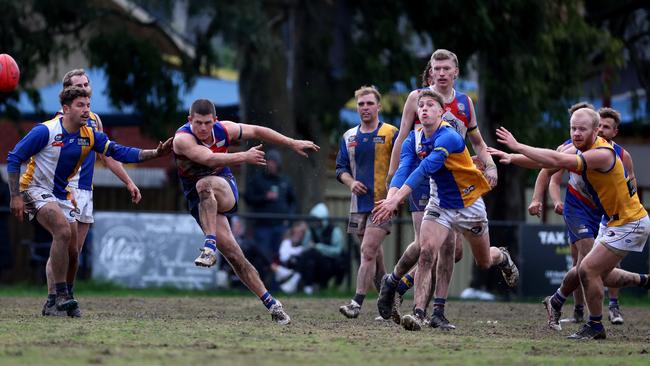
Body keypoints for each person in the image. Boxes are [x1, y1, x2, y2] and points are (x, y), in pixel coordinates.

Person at [6, 86, 172, 316]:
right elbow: (14, 158)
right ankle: (60, 295)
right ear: (66, 109)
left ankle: (60, 300)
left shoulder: (89, 134)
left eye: (88, 105)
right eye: (80, 105)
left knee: (73, 252)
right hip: (33, 188)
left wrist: (155, 153)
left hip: (62, 194)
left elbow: (118, 151)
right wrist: (15, 195)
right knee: (62, 232)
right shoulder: (45, 131)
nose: (86, 111)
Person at [489, 107, 650, 340]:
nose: (576, 133)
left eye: (582, 129)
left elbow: (555, 158)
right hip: (611, 221)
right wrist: (512, 157)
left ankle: (595, 326)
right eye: (573, 128)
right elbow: (547, 165)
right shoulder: (579, 147)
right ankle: (640, 281)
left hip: (630, 222)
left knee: (588, 269)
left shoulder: (603, 153)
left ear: (596, 131)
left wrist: (517, 146)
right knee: (592, 271)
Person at [373, 90, 519, 331]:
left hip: (469, 204)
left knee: (483, 261)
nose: (424, 109)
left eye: (430, 105)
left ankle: (502, 256)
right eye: (421, 106)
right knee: (427, 251)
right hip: (439, 204)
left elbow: (427, 168)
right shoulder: (414, 138)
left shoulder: (449, 136)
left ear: (442, 112)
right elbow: (404, 169)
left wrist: (396, 199)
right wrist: (390, 199)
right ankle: (420, 313)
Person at [172, 98, 319, 325]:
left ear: (215, 120)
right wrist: (244, 156)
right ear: (189, 120)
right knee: (234, 256)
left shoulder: (224, 129)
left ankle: (209, 246)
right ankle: (273, 304)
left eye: (207, 123)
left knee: (205, 185)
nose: (203, 128)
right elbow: (209, 158)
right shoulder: (182, 139)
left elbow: (257, 130)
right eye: (198, 123)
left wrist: (291, 143)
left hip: (223, 188)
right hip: (200, 202)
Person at [46, 69, 142, 317]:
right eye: (78, 85)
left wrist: (128, 181)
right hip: (66, 189)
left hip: (87, 191)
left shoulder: (94, 120)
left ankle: (68, 295)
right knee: (63, 244)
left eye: (86, 84)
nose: (84, 88)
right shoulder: (60, 122)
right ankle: (53, 298)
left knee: (75, 253)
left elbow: (106, 156)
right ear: (67, 93)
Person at [529, 104, 635, 327]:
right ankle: (586, 315)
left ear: (608, 131)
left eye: (607, 127)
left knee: (593, 265)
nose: (603, 130)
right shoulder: (569, 148)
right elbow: (547, 173)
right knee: (588, 264)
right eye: (574, 128)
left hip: (606, 212)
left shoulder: (620, 155)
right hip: (578, 209)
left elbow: (630, 182)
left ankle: (567, 302)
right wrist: (542, 200)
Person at [336, 85, 398, 319]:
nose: (365, 108)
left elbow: (405, 162)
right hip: (357, 204)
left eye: (369, 103)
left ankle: (356, 302)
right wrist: (351, 183)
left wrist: (396, 195)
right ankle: (388, 303)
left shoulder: (392, 133)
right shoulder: (349, 136)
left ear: (378, 106)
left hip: (383, 203)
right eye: (361, 104)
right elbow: (340, 168)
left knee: (367, 251)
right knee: (375, 256)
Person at [244, 149, 297, 278]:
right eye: (269, 162)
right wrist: (264, 197)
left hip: (280, 226)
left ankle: (275, 284)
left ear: (278, 164)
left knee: (277, 255)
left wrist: (288, 219)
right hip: (263, 225)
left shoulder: (285, 181)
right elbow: (248, 198)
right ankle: (262, 283)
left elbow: (293, 202)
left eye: (274, 162)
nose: (271, 164)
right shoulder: (257, 180)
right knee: (263, 254)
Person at [300, 202, 346, 294]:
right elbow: (304, 248)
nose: (315, 222)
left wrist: (319, 247)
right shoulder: (311, 230)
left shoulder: (334, 231)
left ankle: (328, 288)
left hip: (330, 262)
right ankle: (308, 287)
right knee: (309, 258)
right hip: (314, 262)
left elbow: (337, 251)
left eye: (317, 220)